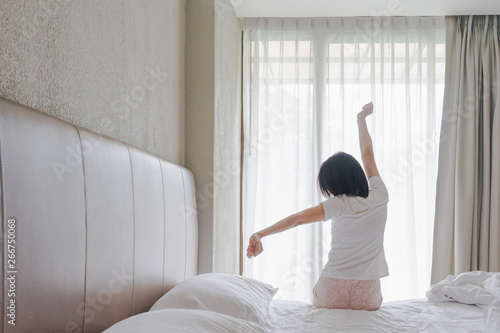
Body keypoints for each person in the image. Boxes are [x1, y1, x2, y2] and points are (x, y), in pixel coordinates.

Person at [246, 102, 389, 311]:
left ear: (334, 186)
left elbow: (297, 219)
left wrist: (260, 234)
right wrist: (361, 120)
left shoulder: (339, 203)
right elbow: (368, 154)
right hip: (367, 294)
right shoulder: (380, 194)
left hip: (332, 288)